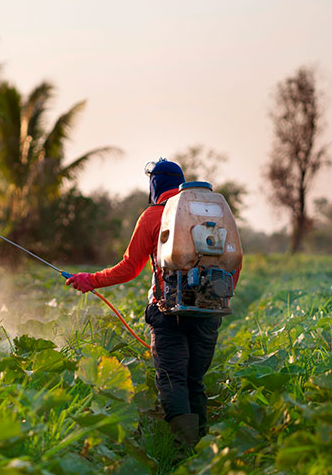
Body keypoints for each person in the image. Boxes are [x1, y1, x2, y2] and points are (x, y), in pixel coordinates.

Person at [64, 158, 239, 450]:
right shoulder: (213, 214)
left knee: (173, 379)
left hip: (167, 311)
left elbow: (129, 269)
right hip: (209, 311)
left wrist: (89, 280)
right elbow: (235, 263)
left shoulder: (153, 216)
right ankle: (202, 456)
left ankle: (181, 452)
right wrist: (219, 296)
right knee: (194, 380)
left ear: (154, 185)